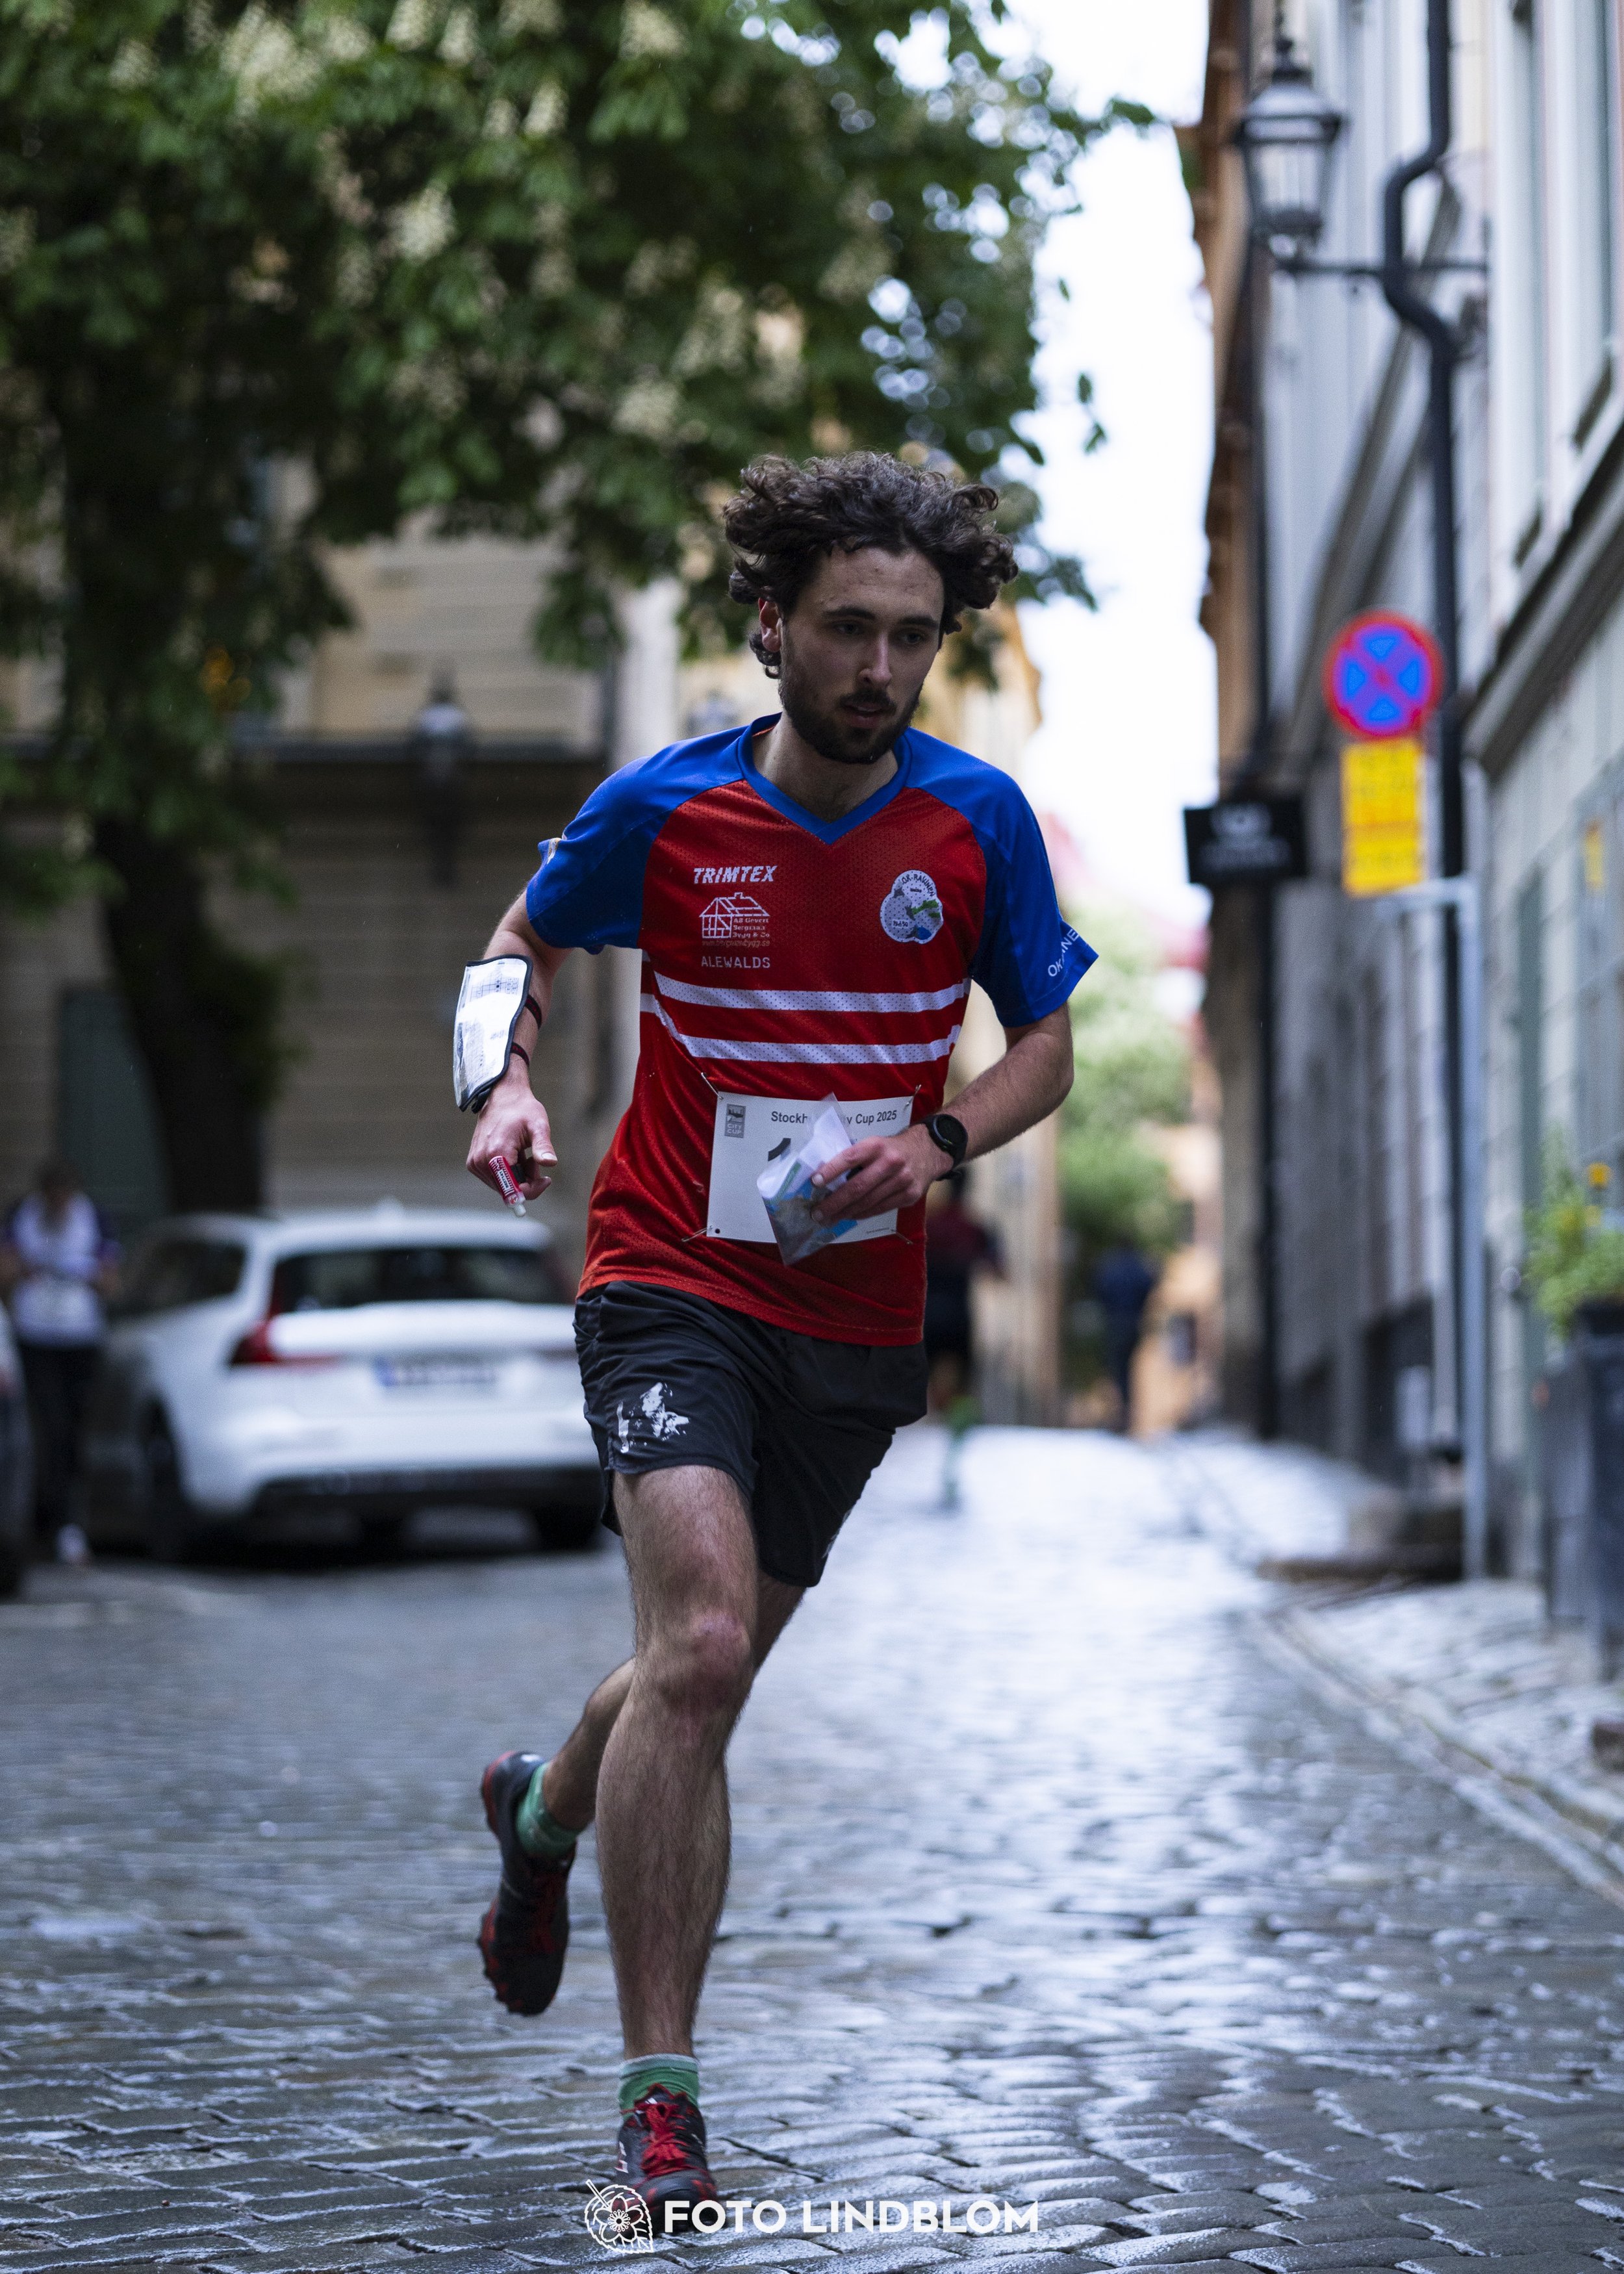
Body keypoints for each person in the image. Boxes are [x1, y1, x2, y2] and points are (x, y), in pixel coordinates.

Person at [463, 452, 1095, 2229]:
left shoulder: (973, 823)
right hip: (668, 1266)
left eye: (910, 636)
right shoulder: (664, 812)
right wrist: (502, 1079)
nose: (878, 668)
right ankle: (661, 2105)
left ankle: (537, 1819)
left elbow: (1044, 1041)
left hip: (851, 1307)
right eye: (846, 630)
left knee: (697, 1662)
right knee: (713, 1630)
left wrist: (943, 1136)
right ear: (772, 626)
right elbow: (515, 945)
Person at [0, 1159, 118, 1553]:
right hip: (36, 1337)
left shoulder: (93, 1219)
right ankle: (44, 1519)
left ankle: (66, 1522)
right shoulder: (23, 1216)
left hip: (79, 1337)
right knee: (46, 1428)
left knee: (72, 1429)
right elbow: (7, 1270)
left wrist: (83, 1274)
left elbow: (110, 1279)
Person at [922, 1168, 1000, 1409]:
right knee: (963, 1377)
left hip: (927, 1312)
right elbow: (997, 1271)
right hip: (959, 1313)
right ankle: (954, 1423)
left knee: (926, 1374)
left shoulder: (928, 1225)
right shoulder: (975, 1229)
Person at [1094, 1242, 1158, 1432]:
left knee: (1117, 1369)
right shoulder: (1138, 1268)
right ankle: (1127, 1414)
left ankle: (1120, 1415)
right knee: (1129, 1370)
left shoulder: (1110, 1268)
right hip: (1133, 1322)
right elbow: (1148, 1285)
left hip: (1115, 1322)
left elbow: (1100, 1287)